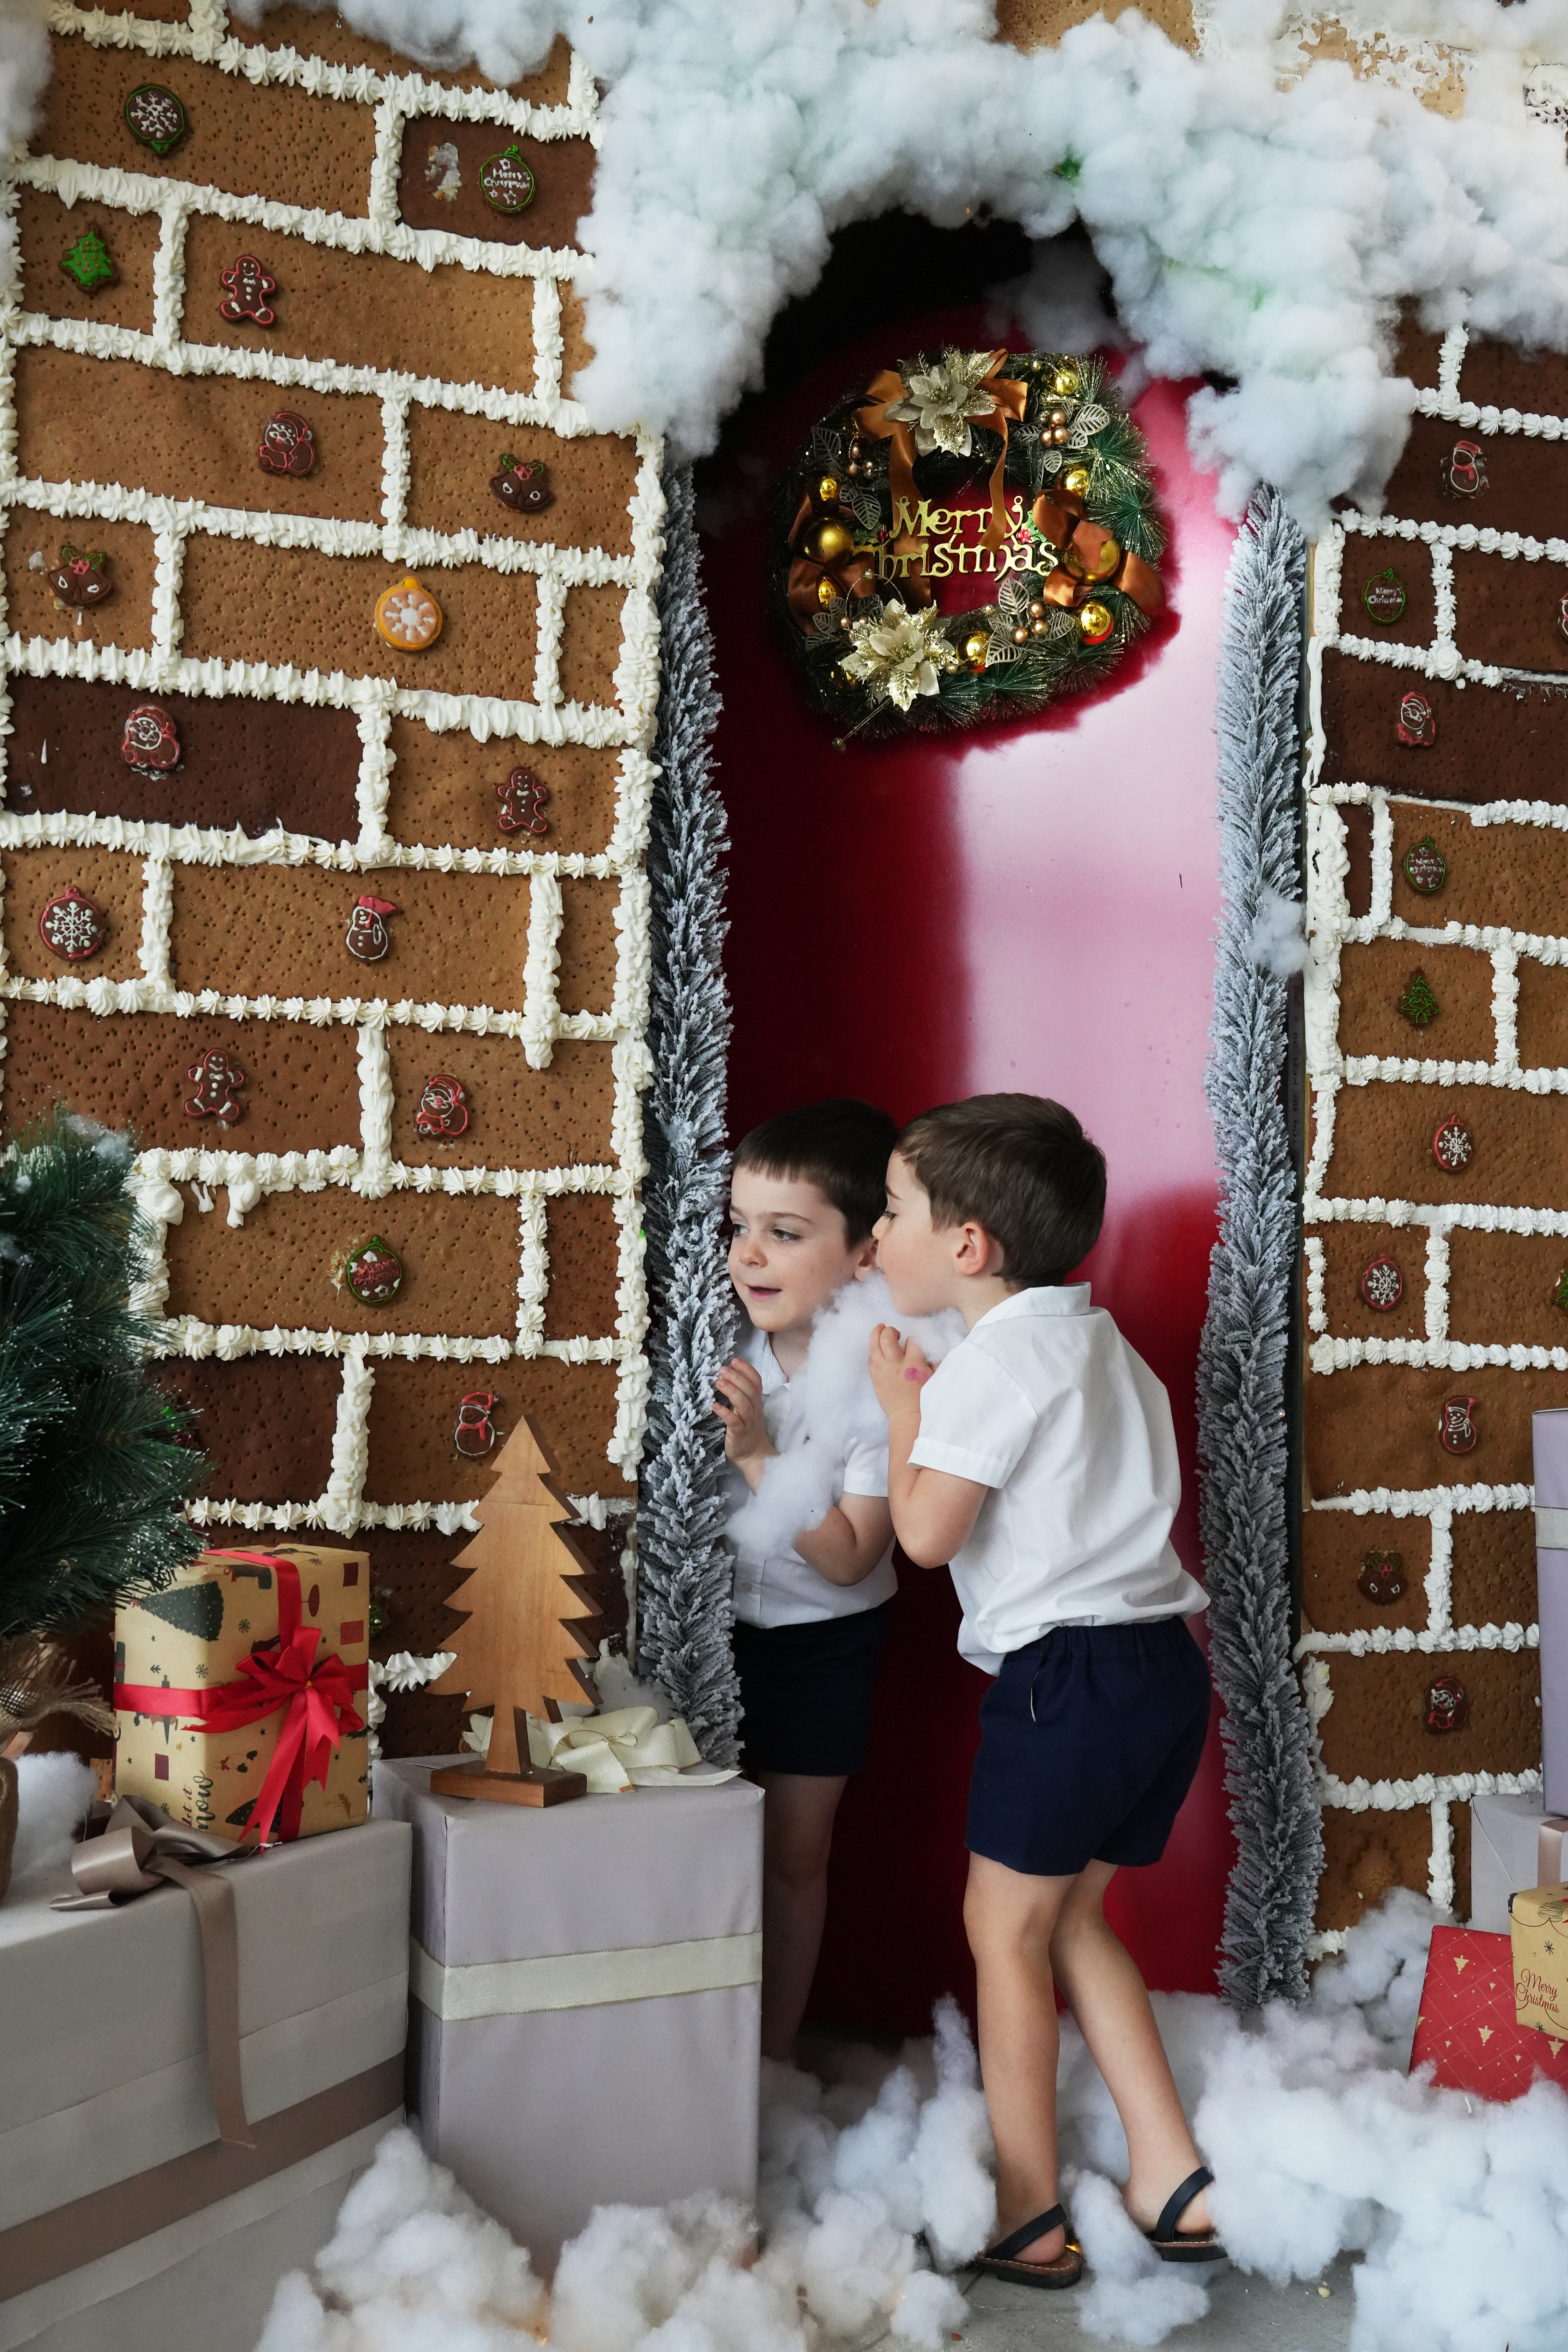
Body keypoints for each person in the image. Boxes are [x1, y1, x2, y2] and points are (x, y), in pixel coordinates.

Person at [867, 1093, 1223, 2290]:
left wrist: (905, 1412)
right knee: (1076, 1920)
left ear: (967, 1246)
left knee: (1004, 1930)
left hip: (1063, 1675)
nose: (874, 1235)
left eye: (892, 1210)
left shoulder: (989, 1364)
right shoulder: (1103, 1344)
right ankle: (1173, 2175)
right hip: (1162, 1665)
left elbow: (919, 1537)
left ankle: (1023, 2210)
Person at [716, 1097, 901, 2064]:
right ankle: (696, 2053)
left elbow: (852, 1556)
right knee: (703, 1839)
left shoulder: (881, 1379)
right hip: (713, 1631)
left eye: (784, 1234)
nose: (751, 1254)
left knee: (793, 1852)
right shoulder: (720, 1343)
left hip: (824, 1640)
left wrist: (758, 1455)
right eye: (740, 1226)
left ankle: (771, 2059)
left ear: (866, 1251)